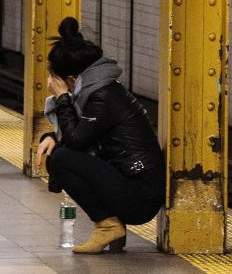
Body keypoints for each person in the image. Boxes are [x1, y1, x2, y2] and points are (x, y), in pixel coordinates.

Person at [36, 17, 165, 254]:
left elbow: (76, 141)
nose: (49, 83)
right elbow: (84, 133)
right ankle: (113, 229)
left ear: (71, 79)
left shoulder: (102, 96)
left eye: (55, 79)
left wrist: (62, 98)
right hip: (134, 182)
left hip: (141, 195)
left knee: (61, 159)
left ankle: (108, 226)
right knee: (60, 152)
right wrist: (52, 135)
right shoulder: (101, 89)